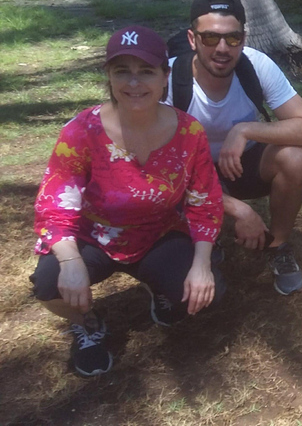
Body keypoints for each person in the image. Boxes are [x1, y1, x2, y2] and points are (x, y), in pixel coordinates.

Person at [30, 26, 224, 376]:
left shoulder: (188, 132)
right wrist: (71, 259)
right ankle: (86, 322)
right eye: (123, 71)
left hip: (158, 233)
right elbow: (56, 203)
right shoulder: (81, 131)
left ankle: (159, 286)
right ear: (108, 75)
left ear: (165, 76)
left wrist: (201, 263)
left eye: (146, 71)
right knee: (48, 282)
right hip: (94, 236)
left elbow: (204, 202)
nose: (134, 83)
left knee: (207, 294)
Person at [165, 0, 302, 296]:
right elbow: (157, 169)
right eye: (210, 38)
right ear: (191, 39)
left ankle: (278, 246)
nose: (222, 48)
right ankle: (201, 242)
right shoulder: (169, 80)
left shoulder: (256, 65)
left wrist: (246, 130)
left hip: (242, 165)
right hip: (188, 175)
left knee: (295, 158)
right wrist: (239, 210)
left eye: (232, 38)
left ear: (244, 38)